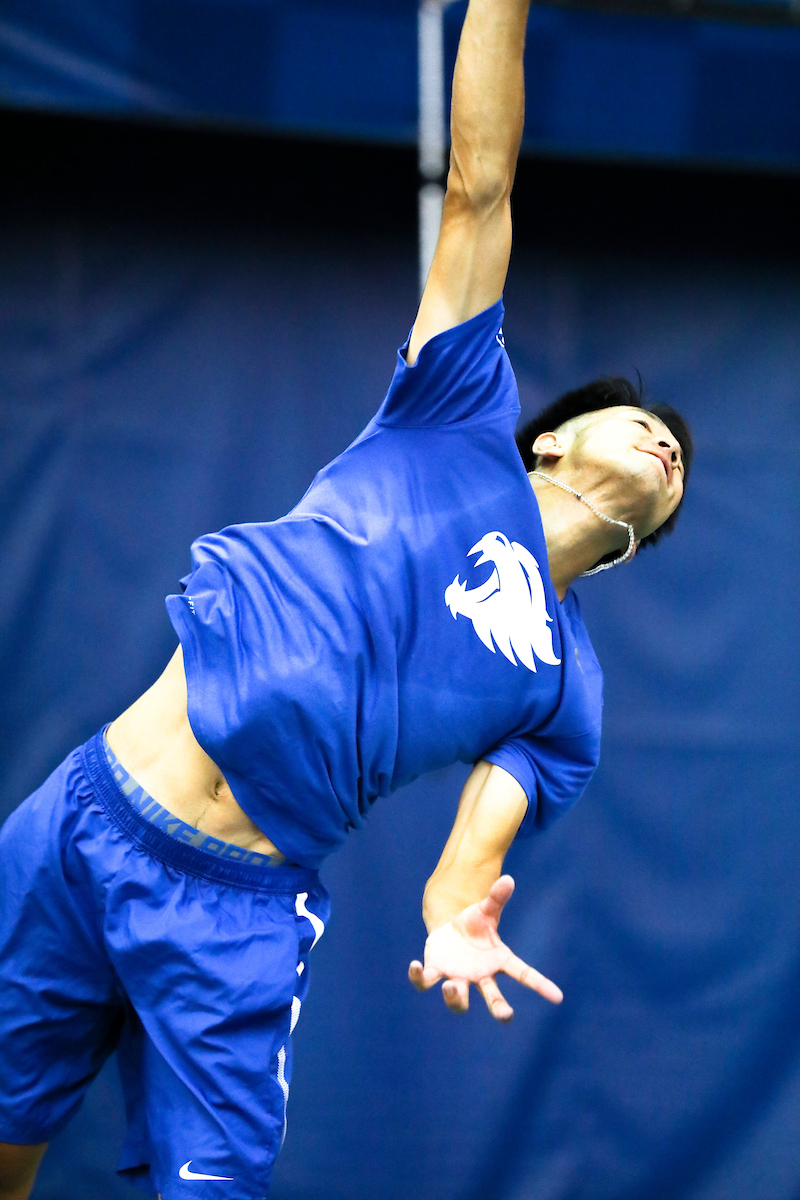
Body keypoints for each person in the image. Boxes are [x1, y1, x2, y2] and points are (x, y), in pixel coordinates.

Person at [0, 2, 692, 1198]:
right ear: (551, 437)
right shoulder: (455, 410)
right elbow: (478, 185)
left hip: (235, 913)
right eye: (636, 416)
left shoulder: (563, 696)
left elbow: (462, 864)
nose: (663, 438)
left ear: (645, 541)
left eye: (679, 456)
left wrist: (451, 919)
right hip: (83, 814)